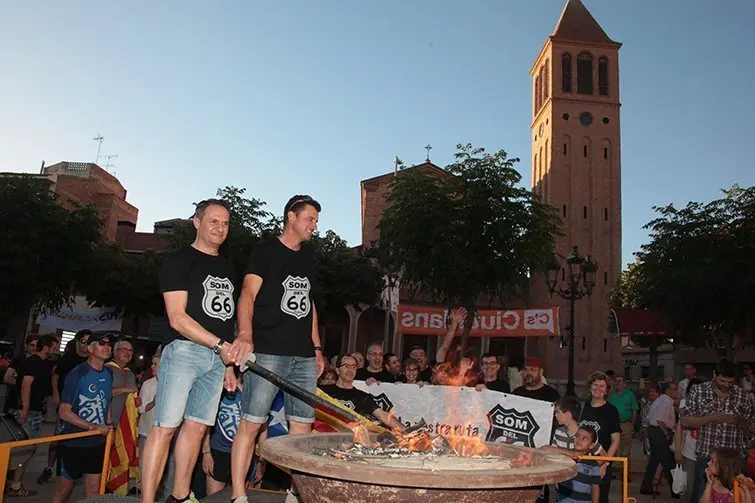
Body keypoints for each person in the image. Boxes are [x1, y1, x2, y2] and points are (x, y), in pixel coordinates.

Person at [142, 199, 246, 503]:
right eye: (213, 221)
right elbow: (177, 317)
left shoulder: (228, 267)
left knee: (198, 428)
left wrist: (228, 364)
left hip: (217, 360)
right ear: (197, 223)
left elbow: (226, 320)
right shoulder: (179, 261)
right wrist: (218, 345)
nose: (220, 228)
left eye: (225, 223)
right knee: (165, 428)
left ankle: (180, 495)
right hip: (184, 352)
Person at [231, 195, 326, 503]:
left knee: (301, 426)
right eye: (310, 219)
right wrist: (245, 334)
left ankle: (292, 494)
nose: (314, 225)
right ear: (291, 217)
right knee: (252, 422)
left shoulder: (308, 258)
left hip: (303, 356)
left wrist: (317, 347)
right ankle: (237, 495)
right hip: (268, 350)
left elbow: (310, 305)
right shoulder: (266, 251)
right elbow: (247, 293)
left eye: (316, 220)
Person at [51, 332, 114, 503]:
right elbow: (64, 412)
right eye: (102, 343)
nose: (107, 346)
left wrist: (109, 424)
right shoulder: (78, 373)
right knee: (64, 489)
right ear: (90, 348)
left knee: (93, 491)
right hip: (74, 440)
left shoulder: (108, 373)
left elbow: (106, 401)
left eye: (109, 343)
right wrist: (91, 426)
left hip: (98, 441)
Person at [681, 360, 755, 503]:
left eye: (730, 382)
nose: (726, 385)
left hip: (734, 458)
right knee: (701, 494)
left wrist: (740, 421)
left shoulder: (743, 395)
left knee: (736, 496)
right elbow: (684, 422)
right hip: (707, 456)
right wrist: (710, 418)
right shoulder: (698, 390)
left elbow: (750, 430)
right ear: (714, 375)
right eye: (722, 381)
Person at [6, 334, 57, 497]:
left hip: (34, 411)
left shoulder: (40, 363)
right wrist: (25, 408)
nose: (55, 351)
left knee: (24, 449)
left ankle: (15, 484)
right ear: (47, 347)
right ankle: (14, 485)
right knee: (23, 449)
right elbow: (26, 385)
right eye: (54, 347)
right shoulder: (34, 362)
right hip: (29, 411)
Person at [39, 330, 92, 485]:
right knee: (57, 438)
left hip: (83, 407)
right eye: (82, 341)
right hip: (65, 405)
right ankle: (49, 468)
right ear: (77, 341)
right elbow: (55, 376)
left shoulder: (91, 360)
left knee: (78, 439)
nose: (84, 346)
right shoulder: (67, 359)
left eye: (88, 342)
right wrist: (56, 394)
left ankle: (72, 470)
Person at [320, 355, 405, 430]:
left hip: (350, 440)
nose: (350, 370)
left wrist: (406, 431)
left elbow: (383, 415)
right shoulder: (323, 391)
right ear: (337, 370)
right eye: (346, 366)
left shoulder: (362, 397)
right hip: (325, 438)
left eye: (353, 367)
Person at [579, 371, 621, 503]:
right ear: (590, 388)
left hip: (600, 463)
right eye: (595, 385)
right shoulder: (582, 407)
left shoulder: (611, 411)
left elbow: (615, 441)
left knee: (600, 498)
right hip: (581, 462)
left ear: (607, 390)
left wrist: (605, 463)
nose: (598, 388)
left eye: (602, 386)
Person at [640, 381, 680, 497]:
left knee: (654, 461)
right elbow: (660, 420)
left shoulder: (660, 400)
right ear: (667, 390)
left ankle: (646, 486)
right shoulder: (666, 401)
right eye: (673, 389)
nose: (676, 391)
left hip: (654, 431)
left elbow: (650, 418)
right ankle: (675, 490)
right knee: (668, 462)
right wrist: (666, 434)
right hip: (660, 432)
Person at [554, 426, 602, 503]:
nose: (579, 440)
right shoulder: (565, 457)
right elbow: (545, 449)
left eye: (585, 438)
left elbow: (595, 487)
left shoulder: (593, 463)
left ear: (591, 445)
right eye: (577, 436)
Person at [674, 378, 703, 503]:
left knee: (702, 489)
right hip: (689, 453)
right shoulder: (686, 405)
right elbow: (680, 428)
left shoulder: (711, 404)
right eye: (693, 390)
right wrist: (678, 450)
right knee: (688, 488)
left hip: (705, 455)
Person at [607, 374, 638, 480]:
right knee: (615, 449)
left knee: (625, 450)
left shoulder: (630, 395)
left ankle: (625, 473)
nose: (618, 383)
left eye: (620, 381)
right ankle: (614, 471)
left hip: (626, 424)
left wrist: (632, 425)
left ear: (624, 383)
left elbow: (634, 410)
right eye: (616, 381)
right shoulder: (612, 395)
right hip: (615, 424)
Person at [108, 340, 139, 426]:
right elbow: (101, 394)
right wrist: (125, 389)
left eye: (130, 350)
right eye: (124, 349)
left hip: (125, 424)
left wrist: (137, 400)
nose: (128, 352)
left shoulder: (130, 374)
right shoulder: (106, 369)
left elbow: (131, 396)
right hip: (107, 423)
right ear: (115, 352)